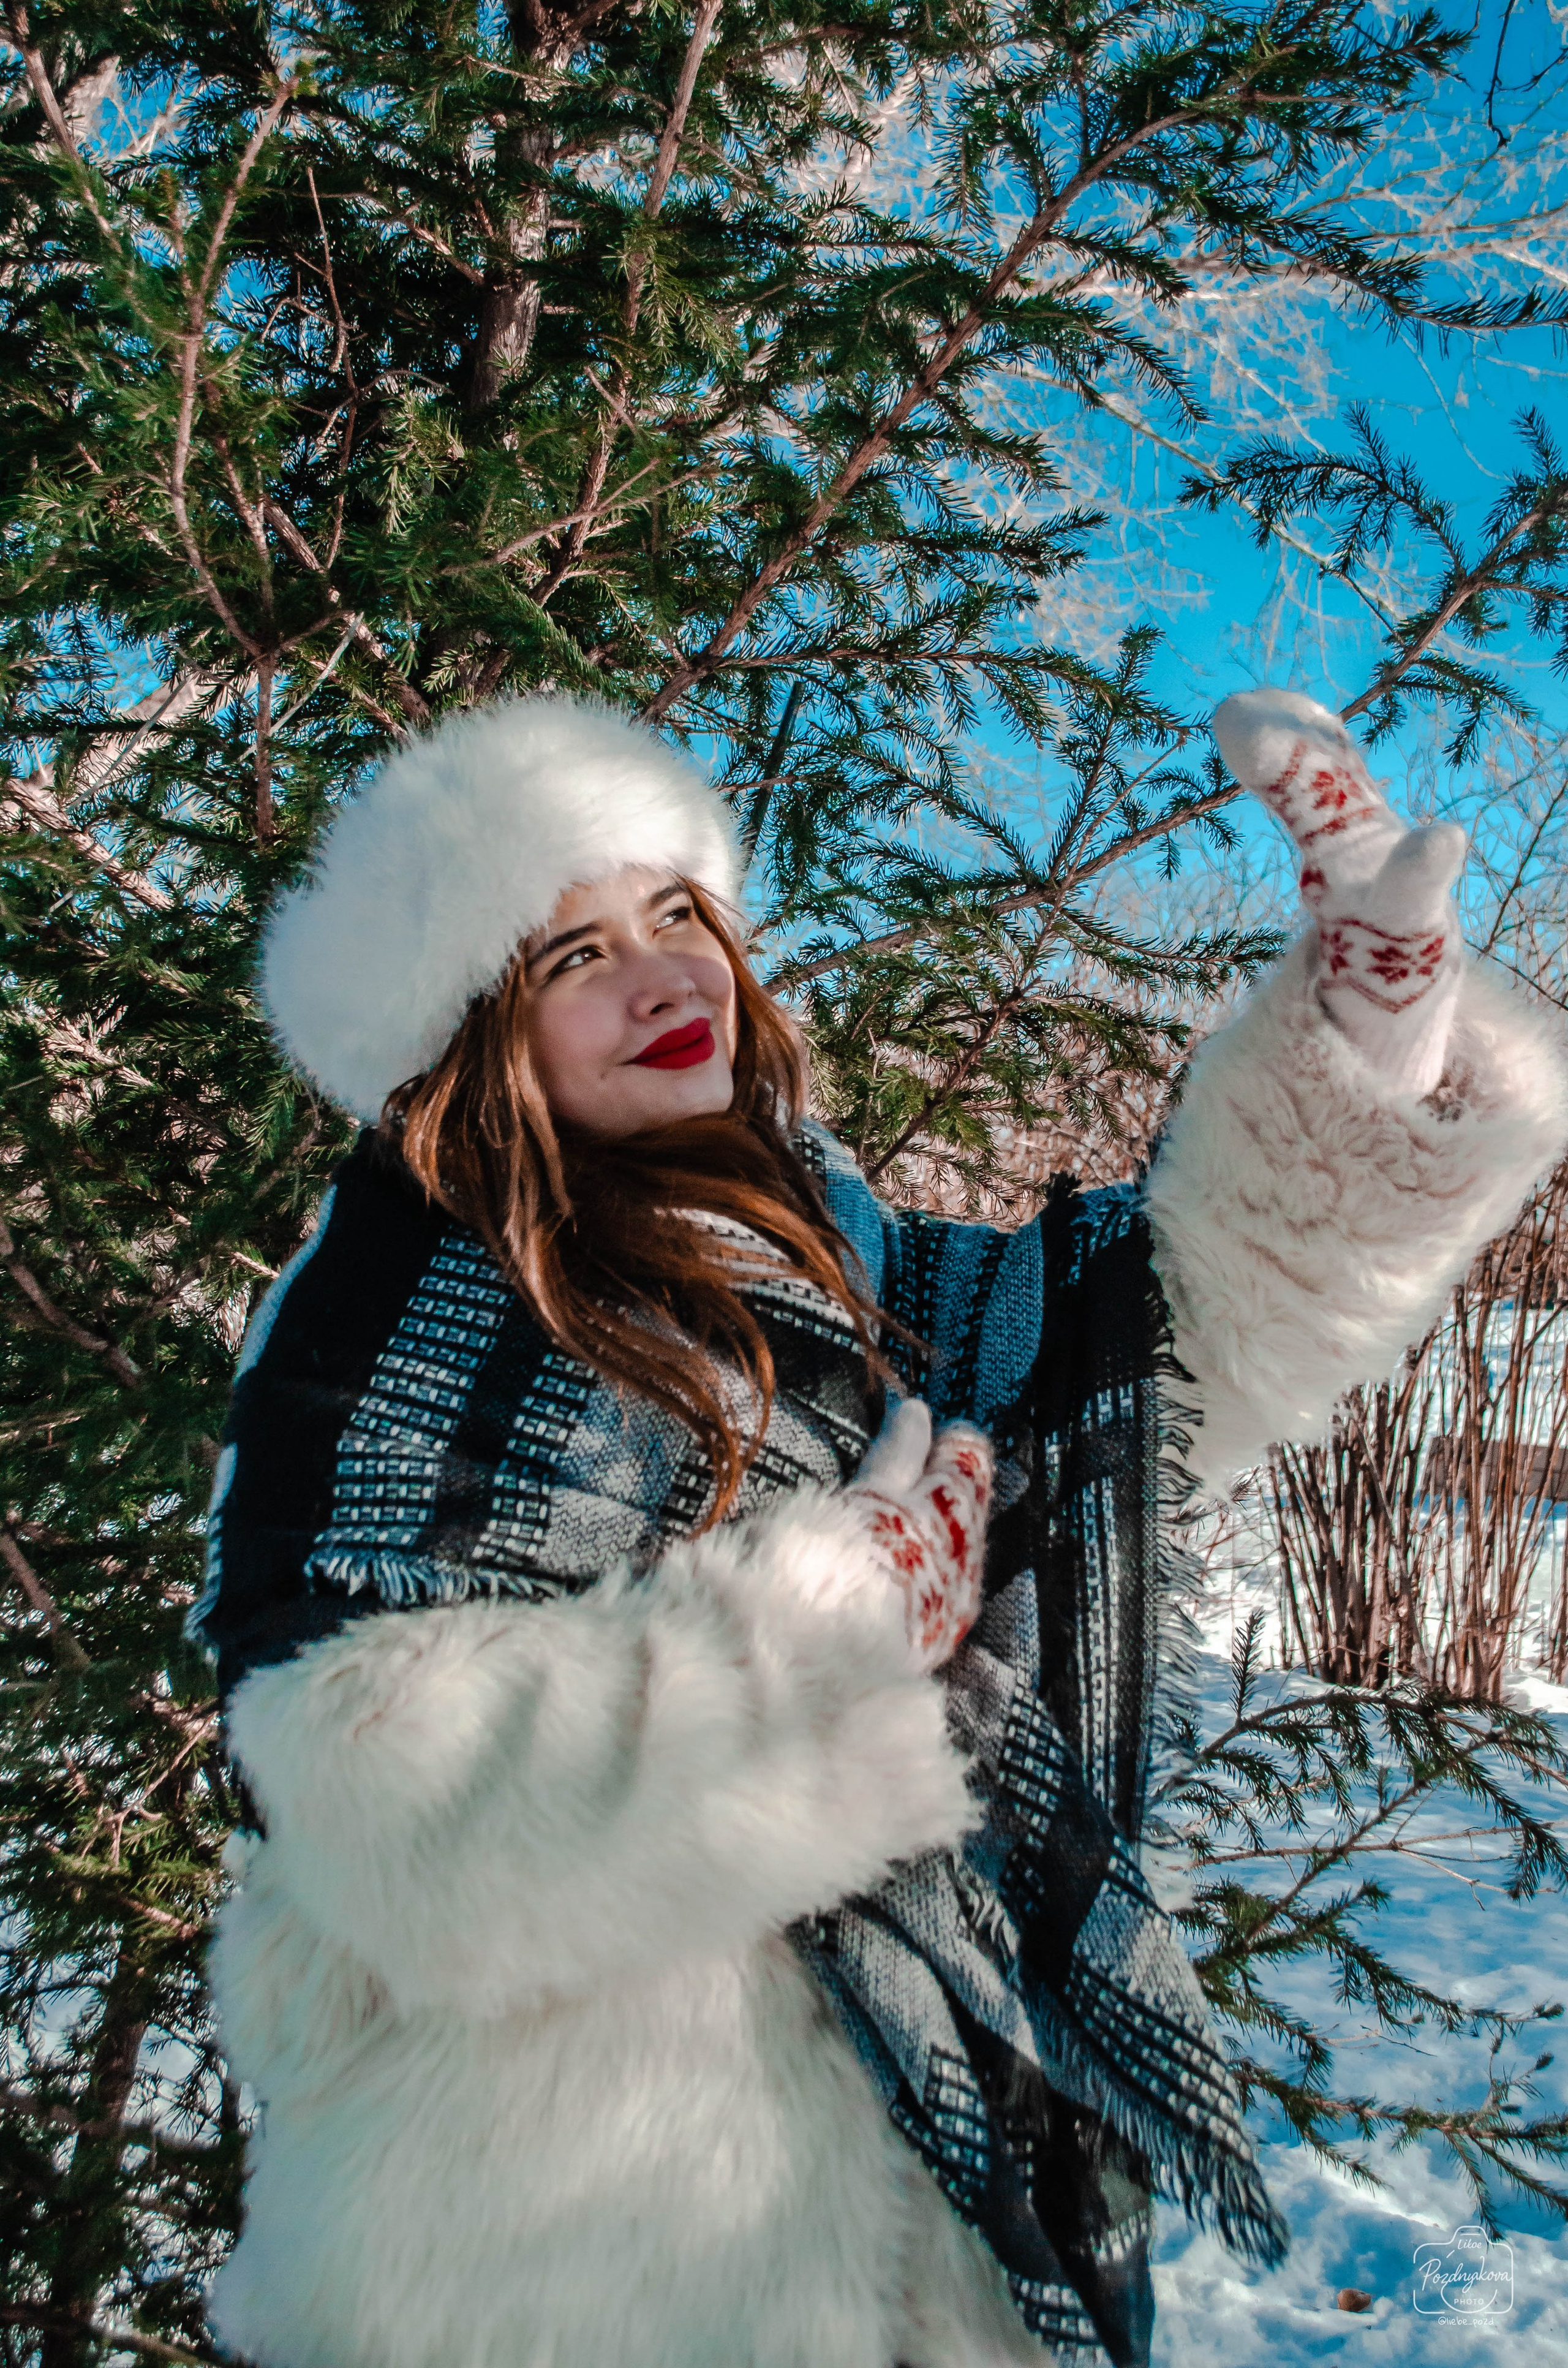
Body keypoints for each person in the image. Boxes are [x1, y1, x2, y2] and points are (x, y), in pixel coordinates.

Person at [190, 690, 1566, 2368]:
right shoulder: (402, 1310)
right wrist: (833, 1628)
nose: (663, 973)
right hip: (545, 2265)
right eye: (572, 957)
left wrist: (1364, 1049)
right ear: (475, 1035)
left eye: (679, 915)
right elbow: (377, 1791)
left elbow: (1152, 1345)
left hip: (903, 2200)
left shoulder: (832, 1269)